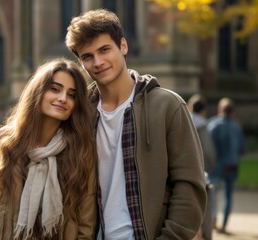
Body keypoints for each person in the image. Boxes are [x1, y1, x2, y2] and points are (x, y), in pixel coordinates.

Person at [65, 9, 207, 239]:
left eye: (104, 50)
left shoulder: (167, 106)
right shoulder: (81, 115)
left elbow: (190, 186)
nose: (98, 62)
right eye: (87, 56)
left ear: (123, 46)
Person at [0, 58, 98, 239]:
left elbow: (86, 224)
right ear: (38, 91)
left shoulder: (81, 153)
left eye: (71, 95)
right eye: (55, 89)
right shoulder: (4, 145)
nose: (63, 98)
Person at [207, 97, 245, 234]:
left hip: (217, 165)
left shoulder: (213, 125)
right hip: (232, 165)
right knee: (228, 195)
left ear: (219, 110)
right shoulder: (237, 127)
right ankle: (224, 225)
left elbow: (208, 146)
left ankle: (213, 220)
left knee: (213, 195)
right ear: (232, 112)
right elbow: (242, 149)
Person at [188, 94, 216, 240]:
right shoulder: (203, 124)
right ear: (203, 110)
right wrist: (212, 164)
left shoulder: (181, 118)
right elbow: (208, 149)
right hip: (200, 169)